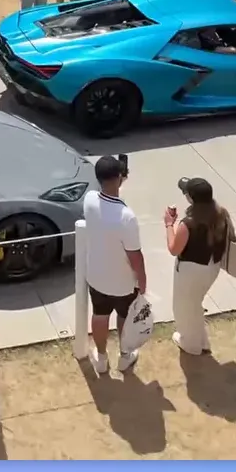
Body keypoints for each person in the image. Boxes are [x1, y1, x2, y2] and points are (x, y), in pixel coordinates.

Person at [83, 155, 146, 375]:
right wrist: (143, 282)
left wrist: (117, 179)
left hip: (96, 276)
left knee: (100, 315)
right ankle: (125, 356)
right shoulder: (127, 217)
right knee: (124, 317)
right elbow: (135, 257)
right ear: (120, 177)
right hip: (122, 282)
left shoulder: (89, 200)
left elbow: (102, 193)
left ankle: (101, 358)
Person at [165, 177, 234, 355]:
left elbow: (174, 249)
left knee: (183, 307)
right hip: (212, 267)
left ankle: (191, 344)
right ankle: (202, 341)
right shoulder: (221, 213)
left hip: (191, 270)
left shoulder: (188, 223)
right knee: (195, 303)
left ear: (191, 198)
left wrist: (169, 224)